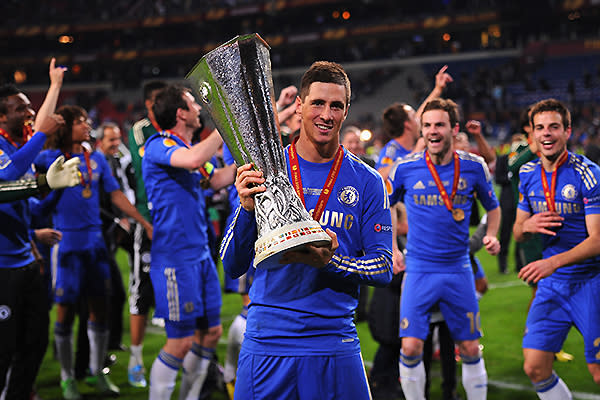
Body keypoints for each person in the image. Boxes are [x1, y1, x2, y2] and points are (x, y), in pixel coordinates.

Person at [220, 61, 393, 400]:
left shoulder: (368, 182)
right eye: (317, 103)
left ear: (346, 111)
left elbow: (384, 266)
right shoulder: (264, 170)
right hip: (269, 340)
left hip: (334, 340)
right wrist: (245, 210)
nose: (326, 114)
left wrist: (331, 263)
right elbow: (231, 264)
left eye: (336, 105)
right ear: (299, 106)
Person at [35, 104, 153, 400]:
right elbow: (32, 146)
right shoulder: (49, 158)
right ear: (66, 127)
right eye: (81, 122)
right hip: (67, 245)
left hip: (96, 245)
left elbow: (114, 194)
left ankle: (95, 372)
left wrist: (141, 221)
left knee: (100, 309)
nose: (88, 125)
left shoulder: (97, 158)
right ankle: (66, 379)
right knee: (65, 314)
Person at [387, 98, 500, 400]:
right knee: (410, 347)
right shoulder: (405, 168)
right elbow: (386, 206)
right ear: (421, 130)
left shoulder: (473, 167)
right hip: (419, 269)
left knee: (470, 347)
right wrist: (393, 249)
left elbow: (494, 207)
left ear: (454, 128)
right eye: (427, 125)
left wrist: (491, 234)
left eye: (439, 124)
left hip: (458, 268)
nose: (433, 131)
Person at [142, 84, 235, 399]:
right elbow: (196, 156)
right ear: (181, 112)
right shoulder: (159, 145)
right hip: (175, 259)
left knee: (211, 334)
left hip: (201, 257)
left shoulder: (185, 147)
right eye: (193, 104)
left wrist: (258, 159)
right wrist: (225, 125)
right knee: (180, 342)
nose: (198, 109)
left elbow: (219, 179)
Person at [513, 98, 600, 398]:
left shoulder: (587, 173)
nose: (546, 134)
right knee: (535, 368)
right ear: (532, 133)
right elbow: (517, 231)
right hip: (552, 286)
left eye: (554, 127)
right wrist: (527, 226)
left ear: (568, 131)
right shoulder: (527, 173)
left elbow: (597, 240)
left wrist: (551, 264)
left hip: (590, 281)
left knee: (597, 372)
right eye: (540, 128)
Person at [0, 82, 80, 400]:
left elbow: (29, 208)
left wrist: (55, 188)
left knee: (34, 344)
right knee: (4, 348)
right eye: (20, 108)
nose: (29, 112)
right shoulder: (10, 151)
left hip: (28, 263)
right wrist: (42, 135)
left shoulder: (18, 149)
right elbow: (6, 179)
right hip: (3, 268)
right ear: (2, 117)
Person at [126, 80, 166, 387]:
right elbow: (145, 160)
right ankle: (136, 361)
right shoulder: (142, 130)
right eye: (156, 101)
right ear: (148, 104)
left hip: (175, 224)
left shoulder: (175, 134)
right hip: (149, 220)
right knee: (141, 291)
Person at [375, 65, 453, 181]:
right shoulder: (392, 149)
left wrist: (437, 89)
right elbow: (379, 176)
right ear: (407, 125)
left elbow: (421, 113)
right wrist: (414, 154)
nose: (419, 119)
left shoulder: (411, 143)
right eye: (414, 117)